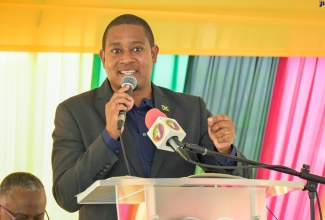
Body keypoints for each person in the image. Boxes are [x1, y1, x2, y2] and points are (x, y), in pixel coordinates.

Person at [52, 14, 251, 219]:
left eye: (137, 49)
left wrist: (224, 148)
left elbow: (243, 181)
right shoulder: (74, 112)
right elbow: (66, 196)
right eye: (116, 50)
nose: (127, 58)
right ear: (103, 58)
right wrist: (109, 136)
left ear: (154, 54)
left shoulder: (191, 109)